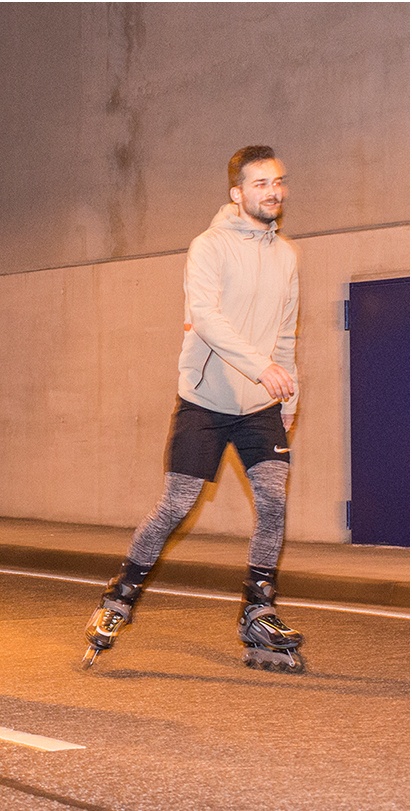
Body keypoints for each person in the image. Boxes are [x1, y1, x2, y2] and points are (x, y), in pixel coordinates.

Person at [84, 145, 304, 673]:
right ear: (237, 193)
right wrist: (260, 367)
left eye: (278, 181)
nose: (272, 191)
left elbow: (286, 333)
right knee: (176, 505)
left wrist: (288, 394)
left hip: (261, 405)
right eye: (260, 183)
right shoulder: (209, 247)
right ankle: (119, 597)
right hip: (205, 400)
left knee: (273, 500)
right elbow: (206, 318)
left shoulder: (287, 256)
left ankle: (258, 611)